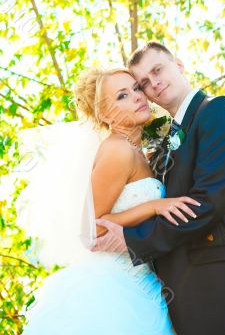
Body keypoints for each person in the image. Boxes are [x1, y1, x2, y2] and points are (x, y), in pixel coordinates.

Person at [92, 42, 225, 335]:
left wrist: (133, 239)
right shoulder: (165, 139)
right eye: (143, 82)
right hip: (182, 304)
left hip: (222, 296)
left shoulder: (220, 111)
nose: (153, 83)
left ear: (180, 65)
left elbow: (207, 204)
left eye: (157, 70)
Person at [22, 67, 200, 335]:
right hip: (112, 290)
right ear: (104, 115)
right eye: (122, 96)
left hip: (143, 280)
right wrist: (153, 206)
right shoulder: (117, 151)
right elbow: (91, 230)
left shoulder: (140, 151)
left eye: (136, 89)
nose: (138, 97)